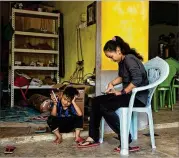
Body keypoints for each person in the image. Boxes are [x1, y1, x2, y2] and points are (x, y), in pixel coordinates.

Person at [78, 36, 149, 152]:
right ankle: (92, 137)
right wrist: (111, 84)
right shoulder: (122, 61)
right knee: (96, 101)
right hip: (128, 95)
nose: (111, 59)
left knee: (105, 107)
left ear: (118, 50)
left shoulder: (129, 59)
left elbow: (137, 80)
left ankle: (125, 139)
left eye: (111, 56)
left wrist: (121, 92)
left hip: (137, 97)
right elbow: (123, 77)